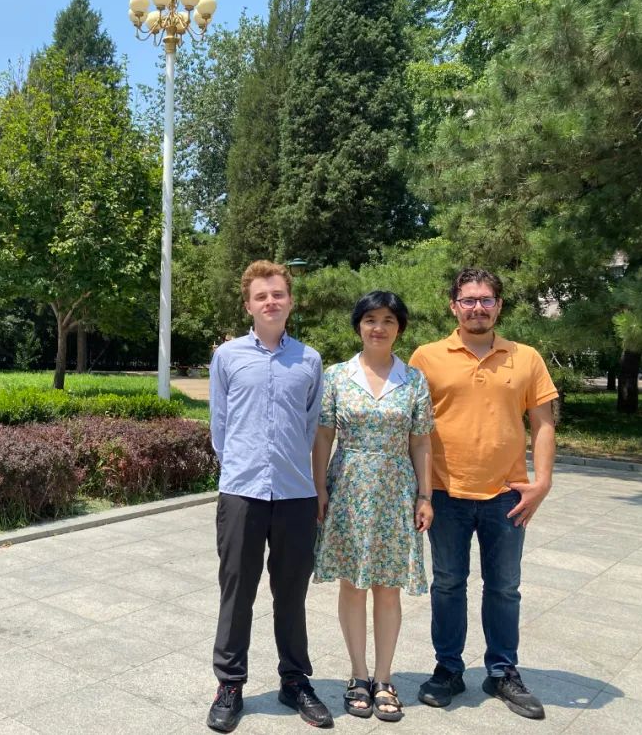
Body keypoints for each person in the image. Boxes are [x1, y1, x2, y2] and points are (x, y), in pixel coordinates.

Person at [409, 268, 557, 721]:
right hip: (445, 493)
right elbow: (414, 429)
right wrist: (420, 492)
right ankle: (448, 669)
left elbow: (544, 423)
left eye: (486, 300)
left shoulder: (526, 357)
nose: (478, 308)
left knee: (504, 587)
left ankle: (502, 671)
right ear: (453, 306)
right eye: (469, 300)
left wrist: (542, 482)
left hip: (507, 495)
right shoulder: (426, 357)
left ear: (499, 305)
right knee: (448, 584)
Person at [206, 260, 332, 732]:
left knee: (291, 593)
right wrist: (243, 464)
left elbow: (310, 426)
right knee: (237, 592)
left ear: (290, 301)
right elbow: (220, 425)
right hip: (242, 492)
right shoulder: (228, 357)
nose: (270, 302)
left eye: (278, 294)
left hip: (296, 494)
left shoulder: (309, 360)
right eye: (261, 296)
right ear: (248, 305)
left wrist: (304, 477)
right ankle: (230, 684)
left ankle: (295, 680)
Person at [312, 291, 434, 723]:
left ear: (399, 328)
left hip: (396, 490)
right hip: (348, 488)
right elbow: (323, 435)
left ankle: (384, 678)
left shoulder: (414, 380)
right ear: (358, 326)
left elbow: (421, 442)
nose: (378, 328)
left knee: (388, 586)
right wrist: (319, 487)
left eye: (388, 320)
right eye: (370, 320)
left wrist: (425, 495)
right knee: (352, 584)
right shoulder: (336, 376)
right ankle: (358, 675)